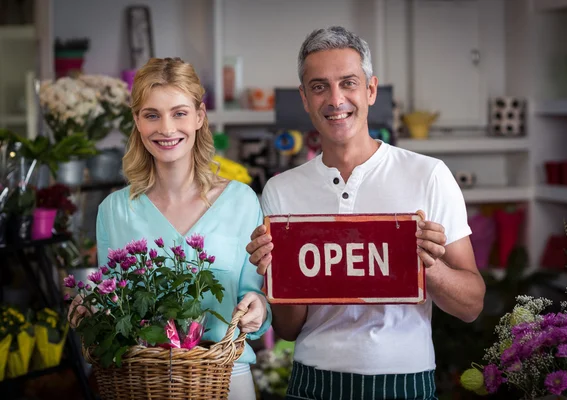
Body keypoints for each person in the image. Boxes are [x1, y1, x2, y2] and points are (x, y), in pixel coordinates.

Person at [245, 27, 485, 400]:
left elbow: (472, 305)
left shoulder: (429, 175)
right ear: (305, 99)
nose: (335, 99)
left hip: (406, 380)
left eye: (348, 83)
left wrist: (429, 266)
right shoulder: (282, 190)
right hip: (313, 382)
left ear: (371, 90)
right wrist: (279, 273)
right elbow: (290, 329)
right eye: (320, 86)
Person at [71, 57, 271, 400]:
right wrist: (91, 312)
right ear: (137, 121)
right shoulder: (114, 211)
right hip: (140, 381)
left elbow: (255, 298)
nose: (166, 128)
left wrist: (259, 308)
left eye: (179, 113)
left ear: (199, 116)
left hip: (224, 378)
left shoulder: (242, 201)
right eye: (152, 115)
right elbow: (112, 304)